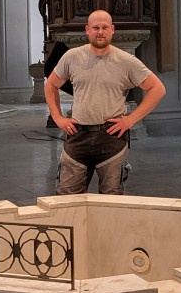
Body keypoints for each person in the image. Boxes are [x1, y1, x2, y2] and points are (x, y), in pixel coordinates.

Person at [46, 10, 166, 195]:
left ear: (112, 30)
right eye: (96, 28)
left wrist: (131, 120)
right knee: (66, 200)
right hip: (78, 135)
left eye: (104, 27)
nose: (100, 32)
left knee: (111, 201)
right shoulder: (72, 57)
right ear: (87, 30)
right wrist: (58, 118)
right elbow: (51, 85)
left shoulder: (126, 61)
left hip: (111, 137)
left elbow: (157, 88)